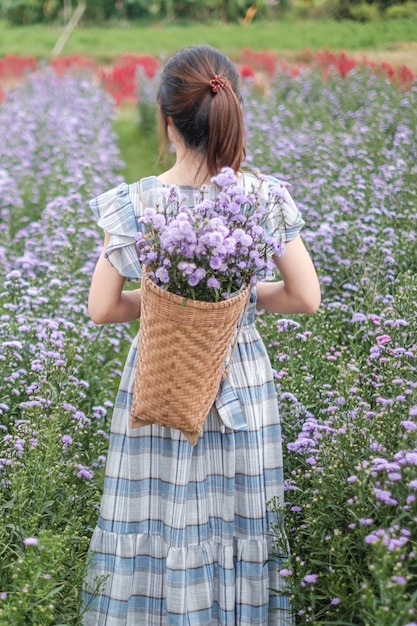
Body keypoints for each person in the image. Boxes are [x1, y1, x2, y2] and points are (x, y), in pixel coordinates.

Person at [83, 45, 321, 626]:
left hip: (161, 382)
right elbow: (305, 297)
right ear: (230, 109)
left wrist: (168, 308)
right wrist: (234, 303)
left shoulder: (136, 202)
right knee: (240, 527)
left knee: (155, 520)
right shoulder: (261, 198)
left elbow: (102, 308)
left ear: (167, 120)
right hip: (239, 382)